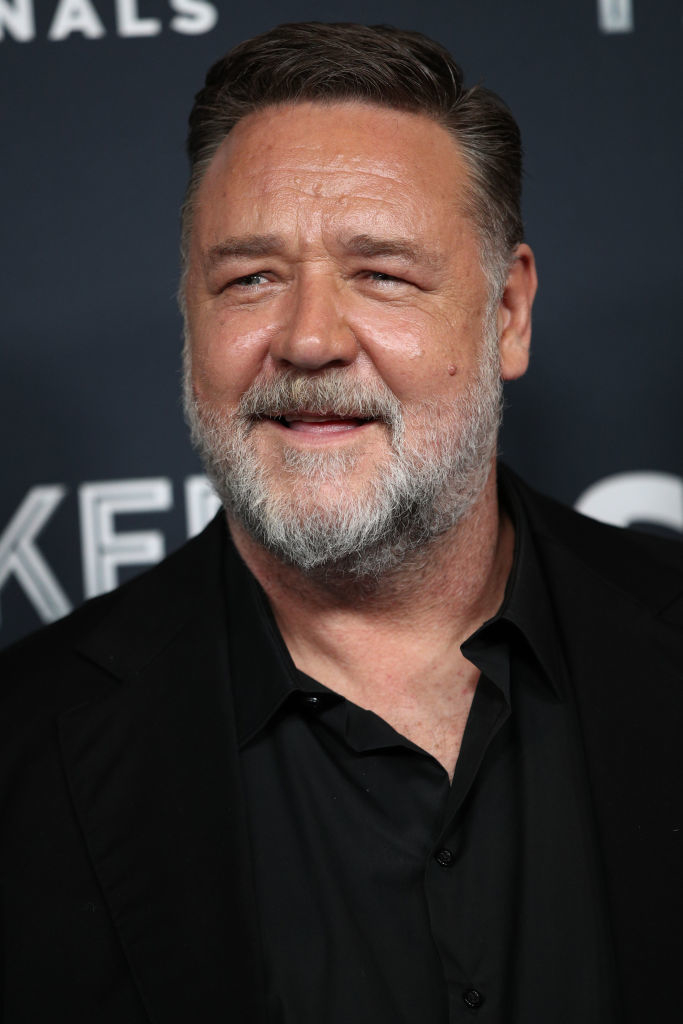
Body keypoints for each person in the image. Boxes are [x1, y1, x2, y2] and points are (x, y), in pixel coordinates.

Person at [1, 22, 681, 1024]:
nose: (308, 338)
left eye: (381, 273)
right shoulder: (23, 751)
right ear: (189, 317)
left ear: (506, 315)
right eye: (249, 279)